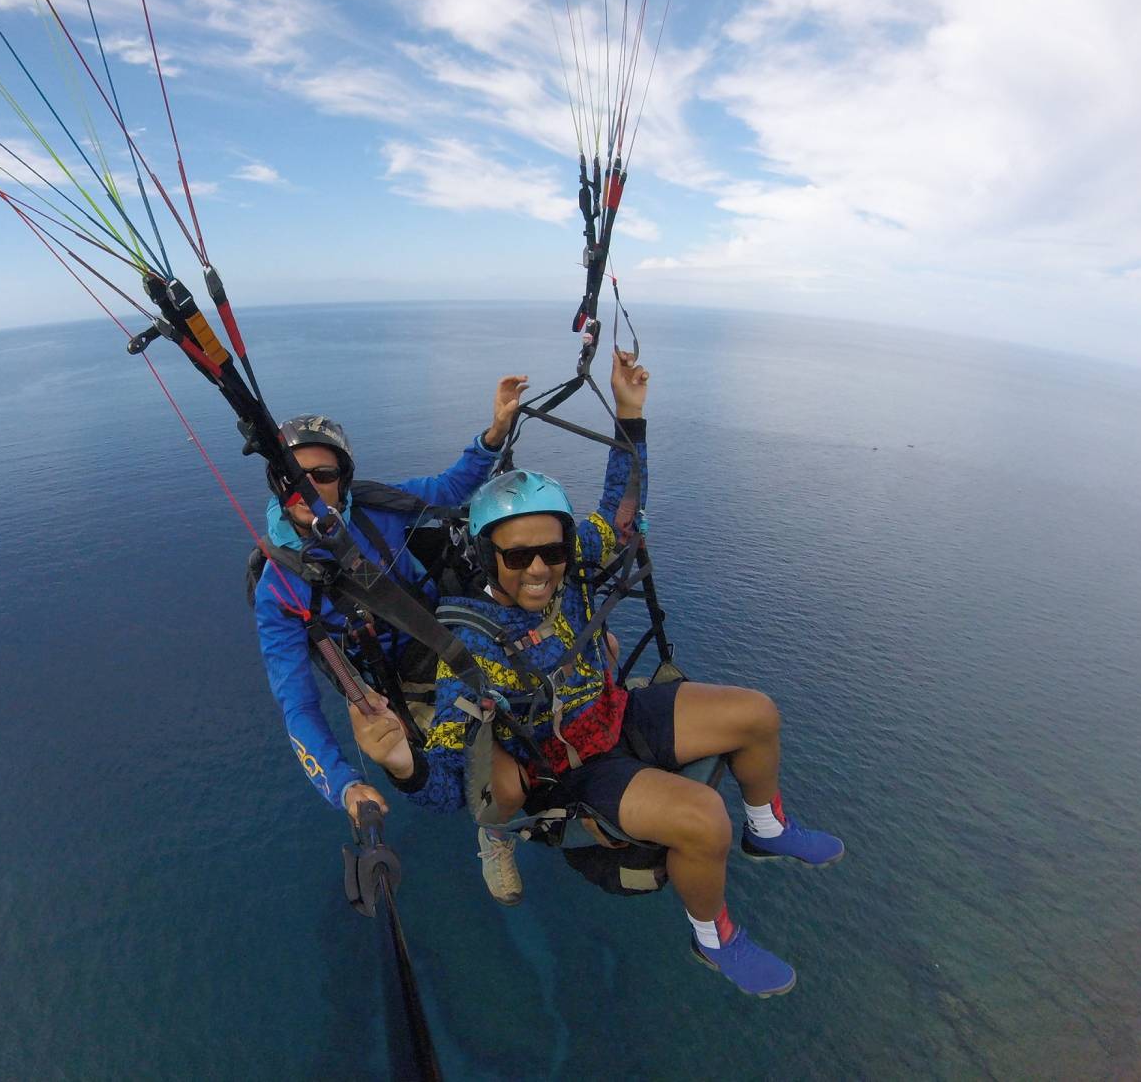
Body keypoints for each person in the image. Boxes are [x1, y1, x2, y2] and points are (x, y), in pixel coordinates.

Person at [349, 350, 843, 997]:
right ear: (484, 554)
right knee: (702, 820)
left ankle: (768, 829)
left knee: (756, 714)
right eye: (517, 554)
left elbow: (620, 513)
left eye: (550, 550)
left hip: (613, 711)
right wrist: (400, 762)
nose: (538, 569)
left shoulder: (575, 561)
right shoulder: (469, 645)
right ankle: (714, 938)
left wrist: (630, 416)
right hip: (569, 764)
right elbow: (450, 786)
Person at [251, 379, 528, 880]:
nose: (308, 488)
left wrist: (494, 433)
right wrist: (344, 784)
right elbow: (297, 700)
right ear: (277, 481)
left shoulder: (377, 507)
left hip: (450, 631)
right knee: (476, 757)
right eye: (294, 476)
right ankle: (494, 827)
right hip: (400, 684)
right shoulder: (279, 588)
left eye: (323, 474)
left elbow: (448, 489)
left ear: (344, 478)